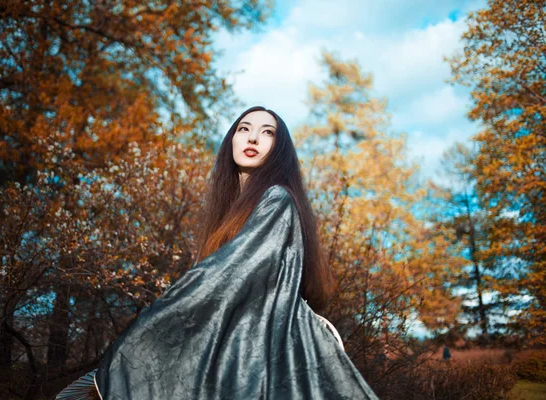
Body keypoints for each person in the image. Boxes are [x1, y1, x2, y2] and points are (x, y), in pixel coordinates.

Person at [56, 106, 379, 399]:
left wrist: (157, 320)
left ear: (278, 150)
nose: (253, 136)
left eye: (268, 133)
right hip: (242, 344)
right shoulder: (230, 215)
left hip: (268, 346)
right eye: (244, 128)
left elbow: (231, 275)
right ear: (231, 141)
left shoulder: (278, 199)